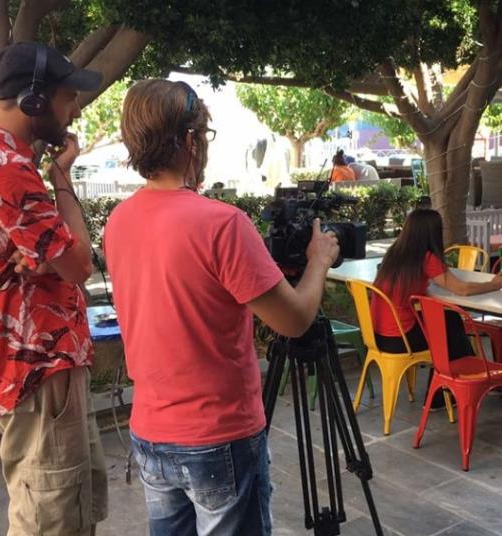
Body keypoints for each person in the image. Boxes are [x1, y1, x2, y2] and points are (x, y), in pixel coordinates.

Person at [104, 79, 340, 535]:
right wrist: (319, 261)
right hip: (217, 434)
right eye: (204, 135)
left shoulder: (119, 219)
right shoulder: (221, 223)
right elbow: (294, 321)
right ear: (190, 141)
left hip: (151, 430)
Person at [0, 42, 107, 535]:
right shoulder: (4, 168)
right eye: (67, 97)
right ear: (35, 100)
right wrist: (62, 177)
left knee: (68, 509)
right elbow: (78, 263)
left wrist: (44, 260)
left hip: (29, 368)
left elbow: (51, 260)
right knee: (50, 521)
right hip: (36, 371)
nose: (74, 111)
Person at [371, 209, 502, 408]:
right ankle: (451, 388)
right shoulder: (426, 258)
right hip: (401, 339)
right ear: (432, 232)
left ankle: (452, 387)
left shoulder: (395, 253)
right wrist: (494, 285)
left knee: (447, 321)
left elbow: (412, 287)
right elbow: (461, 289)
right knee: (451, 323)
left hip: (379, 336)